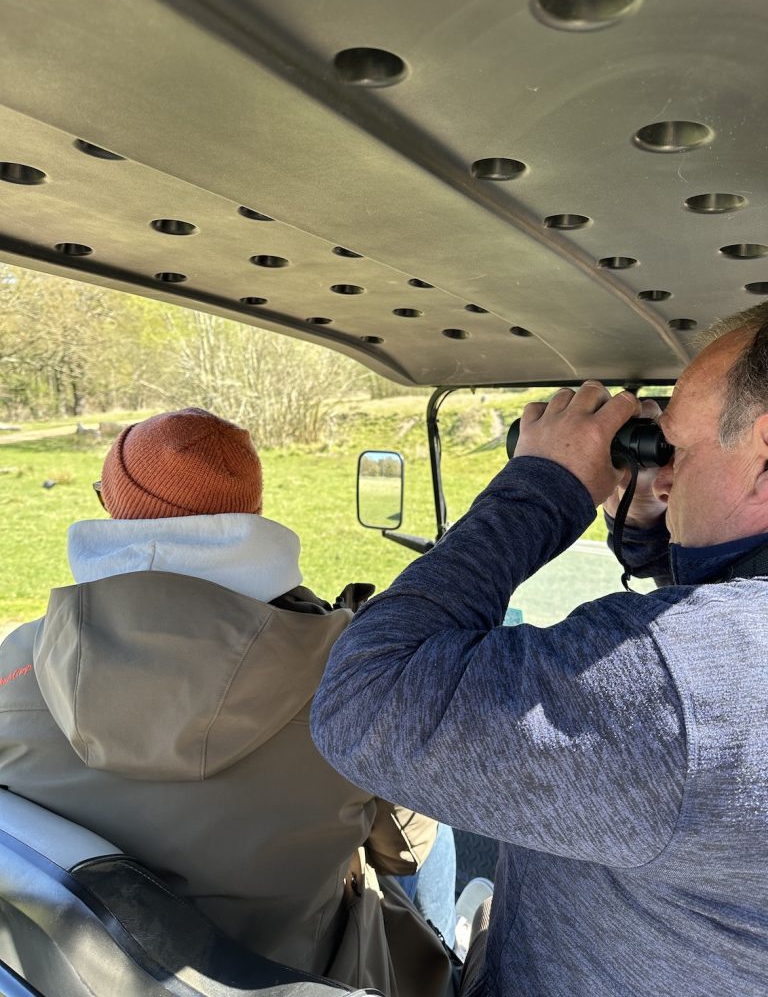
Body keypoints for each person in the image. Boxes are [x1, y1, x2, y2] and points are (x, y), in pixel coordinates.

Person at [311, 305, 768, 996]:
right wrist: (654, 525)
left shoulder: (682, 686)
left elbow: (365, 702)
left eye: (675, 449)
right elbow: (730, 604)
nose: (664, 475)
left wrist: (543, 485)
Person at [0, 407, 452, 997]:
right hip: (303, 978)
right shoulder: (347, 673)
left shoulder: (16, 666)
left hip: (77, 976)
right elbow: (405, 849)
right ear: (253, 513)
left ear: (114, 510)